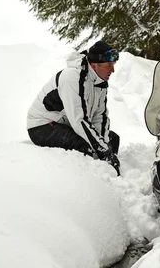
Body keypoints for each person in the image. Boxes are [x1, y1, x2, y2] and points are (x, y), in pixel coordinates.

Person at [27, 40, 121, 175]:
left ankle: (108, 172)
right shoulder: (72, 77)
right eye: (109, 65)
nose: (113, 70)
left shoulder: (100, 83)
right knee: (84, 146)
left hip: (66, 123)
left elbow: (100, 117)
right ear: (95, 65)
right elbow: (79, 120)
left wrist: (106, 149)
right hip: (42, 126)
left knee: (113, 139)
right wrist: (103, 150)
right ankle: (93, 180)